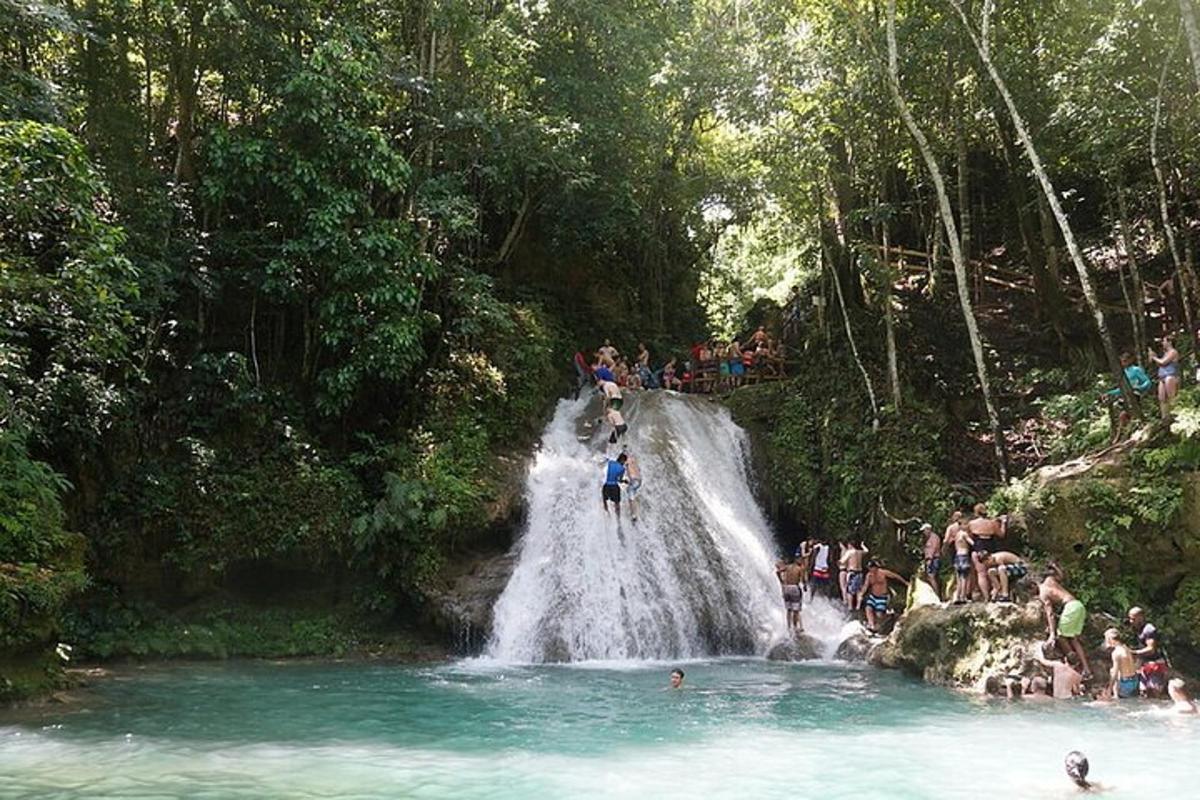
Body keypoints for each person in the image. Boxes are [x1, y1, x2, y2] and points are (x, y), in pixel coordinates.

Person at [1038, 564, 1093, 680]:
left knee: (1061, 637)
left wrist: (1052, 634)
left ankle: (1074, 665)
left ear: (1033, 586)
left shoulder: (1043, 593)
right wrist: (1056, 567)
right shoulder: (1050, 580)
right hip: (1078, 605)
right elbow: (1061, 576)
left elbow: (1050, 614)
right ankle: (1086, 670)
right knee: (1073, 639)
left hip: (1070, 608)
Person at [1102, 351, 1153, 442]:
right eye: (1122, 361)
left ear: (1130, 360)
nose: (1123, 363)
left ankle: (1122, 436)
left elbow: (1147, 382)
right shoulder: (1123, 372)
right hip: (1125, 396)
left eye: (1125, 361)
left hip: (1135, 395)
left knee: (1126, 415)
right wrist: (1109, 393)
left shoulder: (1136, 370)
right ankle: (1122, 435)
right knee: (1123, 416)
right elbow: (1121, 388)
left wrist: (1138, 387)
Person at [1127, 606, 1169, 697]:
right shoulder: (1138, 629)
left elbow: (1151, 649)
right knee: (1143, 692)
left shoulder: (1149, 629)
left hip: (1156, 665)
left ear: (1141, 617)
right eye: (1130, 618)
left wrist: (1134, 653)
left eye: (1133, 619)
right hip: (1145, 665)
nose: (1131, 621)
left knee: (1154, 691)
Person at [967, 504, 1006, 601]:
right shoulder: (992, 523)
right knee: (991, 571)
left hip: (978, 547)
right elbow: (1001, 534)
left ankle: (986, 597)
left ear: (976, 512)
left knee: (981, 573)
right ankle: (995, 593)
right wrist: (1004, 523)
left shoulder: (972, 523)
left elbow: (969, 537)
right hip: (990, 547)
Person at [857, 559, 908, 633]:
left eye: (871, 567)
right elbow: (865, 586)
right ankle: (872, 626)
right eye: (869, 568)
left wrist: (905, 582)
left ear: (875, 567)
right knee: (868, 608)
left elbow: (895, 576)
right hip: (873, 596)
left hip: (882, 597)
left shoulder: (883, 572)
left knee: (879, 615)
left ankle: (890, 616)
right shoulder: (869, 575)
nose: (870, 569)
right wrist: (861, 594)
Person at [1148, 336, 1180, 420]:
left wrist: (1154, 358)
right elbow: (1159, 364)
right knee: (1162, 398)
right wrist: (1153, 356)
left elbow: (1163, 362)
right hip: (1162, 377)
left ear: (1169, 342)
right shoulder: (1165, 353)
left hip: (1170, 376)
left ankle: (1175, 415)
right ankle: (1165, 417)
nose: (1163, 343)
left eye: (1164, 341)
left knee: (1171, 396)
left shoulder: (1173, 352)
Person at [1102, 628, 1139, 700]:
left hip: (1125, 683)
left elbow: (1115, 674)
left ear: (1110, 639)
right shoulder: (1125, 648)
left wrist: (1109, 688)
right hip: (1134, 680)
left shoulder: (1116, 653)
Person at [775, 553, 806, 633]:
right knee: (796, 610)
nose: (801, 561)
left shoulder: (787, 567)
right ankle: (795, 628)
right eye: (800, 559)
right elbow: (802, 580)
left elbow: (777, 572)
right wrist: (805, 586)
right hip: (794, 588)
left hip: (786, 588)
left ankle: (789, 628)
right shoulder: (799, 568)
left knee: (789, 610)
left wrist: (781, 582)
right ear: (797, 560)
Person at [951, 520, 975, 604]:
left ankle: (957, 596)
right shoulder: (964, 534)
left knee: (959, 578)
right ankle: (963, 597)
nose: (967, 526)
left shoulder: (957, 535)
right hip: (964, 556)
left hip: (957, 556)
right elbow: (972, 543)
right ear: (961, 525)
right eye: (965, 524)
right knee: (965, 577)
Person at [842, 541, 866, 611]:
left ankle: (850, 607)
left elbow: (842, 561)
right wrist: (863, 545)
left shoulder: (850, 552)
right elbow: (867, 551)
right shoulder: (860, 552)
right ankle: (858, 606)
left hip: (852, 572)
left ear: (850, 545)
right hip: (860, 573)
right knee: (859, 590)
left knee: (850, 591)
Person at [920, 523, 941, 594]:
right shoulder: (927, 539)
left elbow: (933, 549)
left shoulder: (934, 538)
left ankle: (936, 594)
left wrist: (929, 559)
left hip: (933, 559)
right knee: (930, 577)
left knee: (931, 576)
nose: (924, 532)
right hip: (930, 559)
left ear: (928, 529)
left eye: (924, 530)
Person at [625, 451, 642, 522]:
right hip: (639, 480)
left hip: (633, 480)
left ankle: (634, 515)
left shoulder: (627, 461)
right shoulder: (634, 460)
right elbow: (639, 470)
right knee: (633, 495)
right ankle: (636, 512)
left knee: (631, 498)